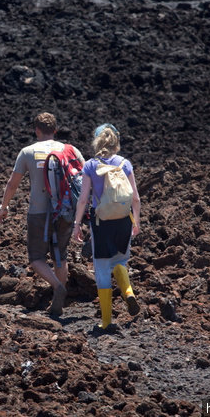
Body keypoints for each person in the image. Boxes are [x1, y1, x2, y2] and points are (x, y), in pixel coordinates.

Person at [0, 112, 85, 316]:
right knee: (60, 256)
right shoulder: (70, 150)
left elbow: (12, 184)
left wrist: (4, 207)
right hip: (65, 211)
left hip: (38, 211)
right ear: (55, 130)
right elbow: (85, 178)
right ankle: (58, 303)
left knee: (36, 258)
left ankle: (57, 287)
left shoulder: (27, 152)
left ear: (36, 130)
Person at [72, 123, 141, 330]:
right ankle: (128, 292)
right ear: (116, 142)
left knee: (102, 268)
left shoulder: (91, 166)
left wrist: (77, 225)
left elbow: (83, 199)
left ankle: (106, 321)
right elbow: (135, 198)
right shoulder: (125, 164)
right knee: (120, 260)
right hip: (123, 219)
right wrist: (136, 222)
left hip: (101, 222)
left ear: (96, 142)